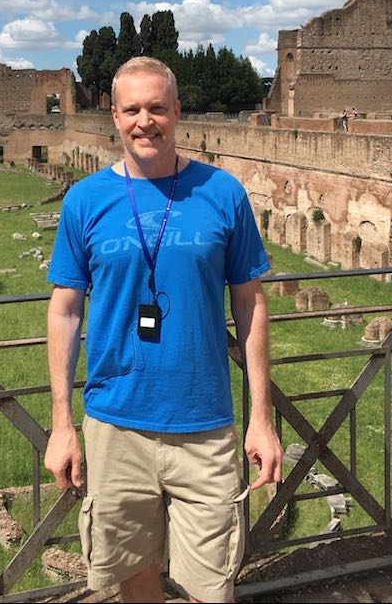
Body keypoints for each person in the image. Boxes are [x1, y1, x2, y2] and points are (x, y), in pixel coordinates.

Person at [44, 57, 282, 604]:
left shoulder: (223, 193)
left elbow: (250, 304)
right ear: (113, 116)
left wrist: (261, 419)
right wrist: (62, 424)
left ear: (178, 112)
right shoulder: (85, 200)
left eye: (156, 108)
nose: (144, 121)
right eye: (132, 109)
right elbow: (64, 311)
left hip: (205, 427)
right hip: (115, 428)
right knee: (134, 581)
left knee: (210, 588)